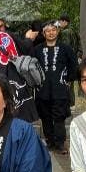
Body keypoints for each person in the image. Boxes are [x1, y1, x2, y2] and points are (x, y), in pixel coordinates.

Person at [34, 20, 78, 153]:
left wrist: (69, 79)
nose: (51, 33)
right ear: (43, 33)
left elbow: (73, 64)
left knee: (59, 117)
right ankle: (50, 141)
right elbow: (32, 67)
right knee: (45, 117)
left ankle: (60, 143)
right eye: (48, 31)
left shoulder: (66, 48)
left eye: (53, 30)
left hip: (60, 88)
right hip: (42, 89)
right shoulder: (37, 49)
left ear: (58, 31)